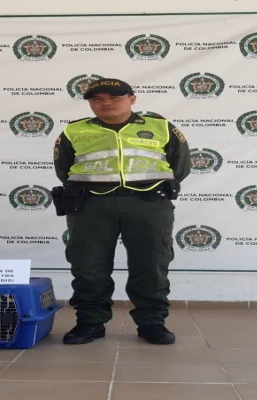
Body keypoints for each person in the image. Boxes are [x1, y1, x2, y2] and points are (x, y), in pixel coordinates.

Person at [53, 78, 190, 345]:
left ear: (132, 99)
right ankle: (90, 323)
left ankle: (152, 323)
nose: (106, 103)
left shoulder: (161, 127)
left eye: (115, 97)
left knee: (151, 264)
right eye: (97, 99)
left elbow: (180, 165)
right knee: (88, 266)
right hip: (90, 205)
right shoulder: (74, 130)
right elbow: (64, 168)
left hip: (148, 204)